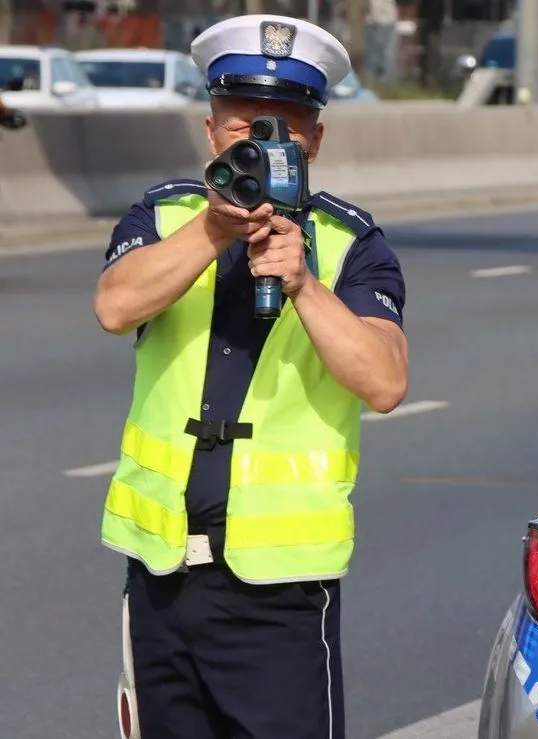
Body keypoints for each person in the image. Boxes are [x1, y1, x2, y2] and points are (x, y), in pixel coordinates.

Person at [93, 13, 409, 738]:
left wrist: (304, 285)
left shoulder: (349, 243)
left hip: (279, 595)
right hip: (162, 578)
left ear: (316, 140)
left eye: (287, 125)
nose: (266, 143)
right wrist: (212, 230)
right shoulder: (166, 215)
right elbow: (114, 305)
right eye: (246, 125)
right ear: (211, 132)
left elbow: (385, 380)